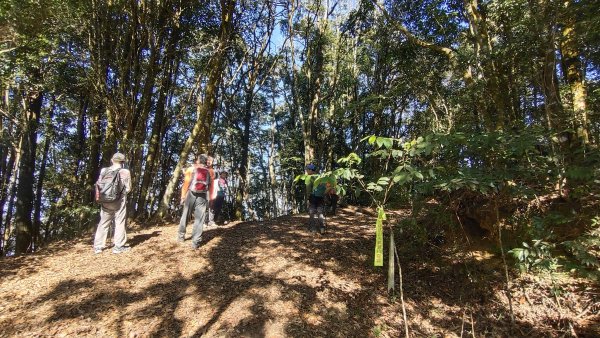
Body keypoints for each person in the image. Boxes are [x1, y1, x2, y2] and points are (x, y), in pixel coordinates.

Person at [93, 152, 132, 254]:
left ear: (112, 160)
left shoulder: (104, 170)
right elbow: (128, 188)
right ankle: (118, 247)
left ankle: (98, 247)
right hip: (119, 201)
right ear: (123, 162)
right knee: (119, 222)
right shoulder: (125, 172)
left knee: (103, 222)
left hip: (105, 200)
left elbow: (99, 184)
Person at [178, 154, 212, 249]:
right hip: (202, 195)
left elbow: (186, 183)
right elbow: (209, 186)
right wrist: (209, 199)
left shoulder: (191, 169)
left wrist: (183, 196)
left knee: (185, 215)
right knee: (200, 219)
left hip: (191, 193)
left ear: (198, 161)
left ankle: (181, 236)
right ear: (205, 161)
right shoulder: (208, 172)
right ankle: (195, 242)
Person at [305, 163, 329, 234]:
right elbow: (326, 188)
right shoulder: (321, 177)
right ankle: (322, 228)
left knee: (312, 213)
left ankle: (313, 229)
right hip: (321, 197)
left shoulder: (310, 178)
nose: (306, 171)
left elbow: (308, 189)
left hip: (313, 197)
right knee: (320, 212)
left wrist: (308, 197)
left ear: (310, 170)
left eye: (307, 170)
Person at [206, 156, 218, 227]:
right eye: (208, 160)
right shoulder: (203, 169)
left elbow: (216, 181)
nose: (209, 162)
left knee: (212, 205)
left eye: (211, 161)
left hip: (212, 190)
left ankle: (211, 221)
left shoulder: (213, 171)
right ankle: (204, 222)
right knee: (204, 205)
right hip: (204, 190)